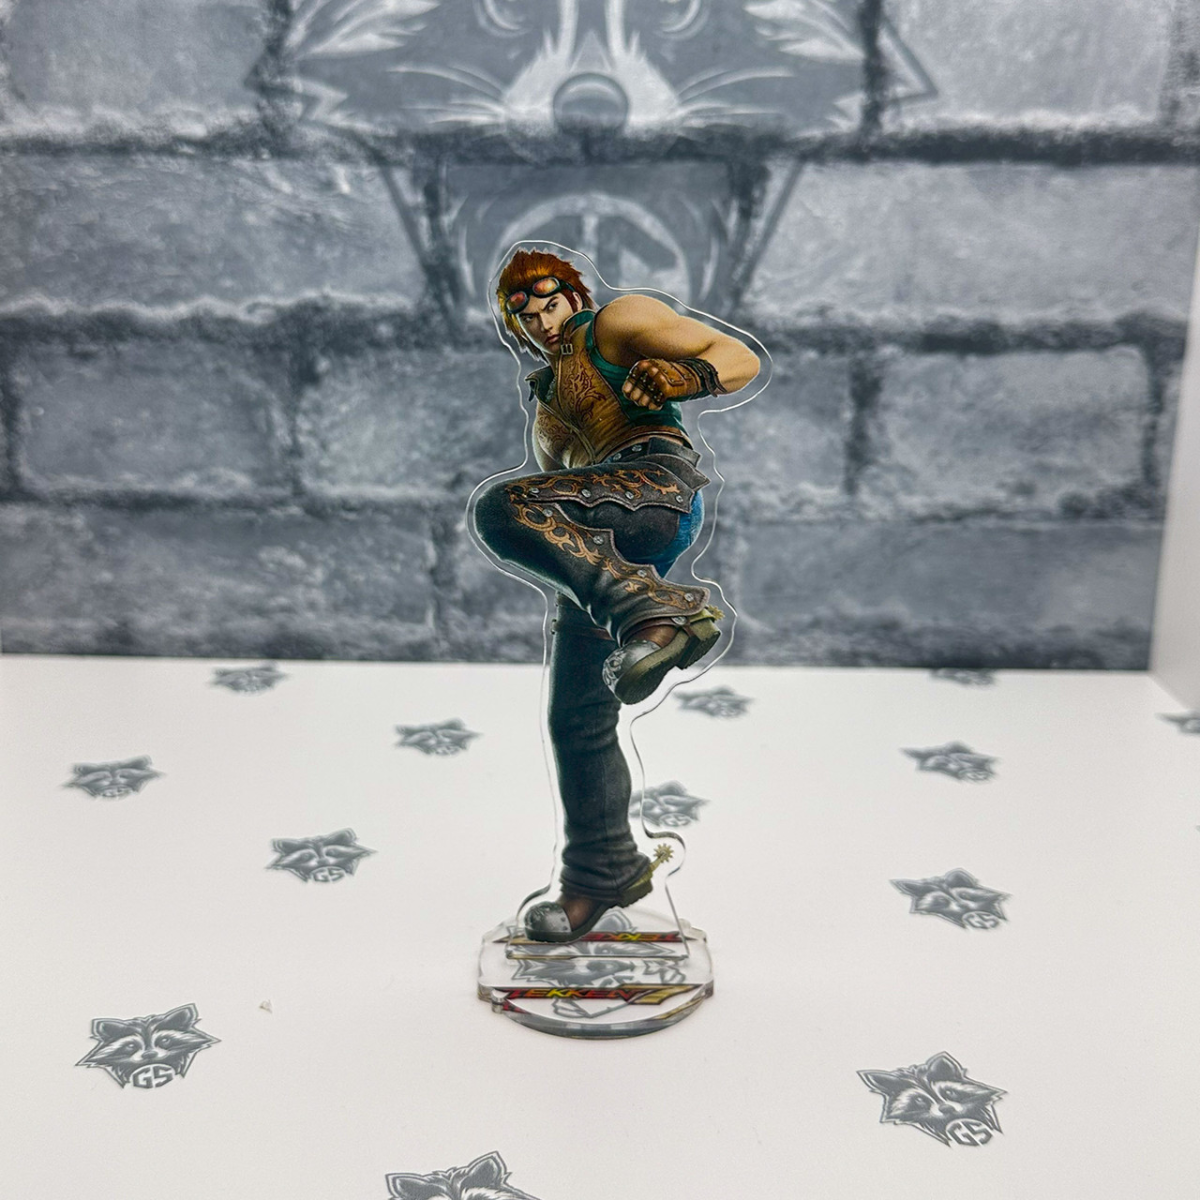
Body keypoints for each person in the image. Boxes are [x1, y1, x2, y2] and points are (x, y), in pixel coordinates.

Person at [472, 248, 760, 941]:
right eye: (527, 316)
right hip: (606, 557)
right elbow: (559, 516)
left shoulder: (619, 322)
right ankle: (602, 871)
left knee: (502, 506)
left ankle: (660, 612)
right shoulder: (546, 403)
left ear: (575, 296)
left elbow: (740, 358)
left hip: (653, 490)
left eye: (551, 304)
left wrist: (687, 375)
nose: (543, 322)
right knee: (576, 719)